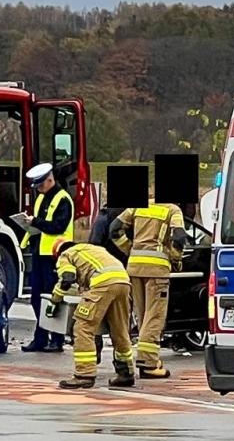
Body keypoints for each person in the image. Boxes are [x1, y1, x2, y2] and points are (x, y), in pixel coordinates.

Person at [109, 198, 187, 378]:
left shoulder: (138, 206)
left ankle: (149, 358)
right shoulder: (172, 209)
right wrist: (175, 259)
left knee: (143, 316)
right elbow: (179, 237)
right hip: (157, 269)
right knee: (155, 316)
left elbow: (114, 229)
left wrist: (130, 249)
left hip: (135, 267)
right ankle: (148, 363)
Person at [49, 239, 134, 389]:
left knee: (82, 328)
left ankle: (84, 375)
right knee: (120, 331)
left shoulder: (66, 255)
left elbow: (67, 278)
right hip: (123, 282)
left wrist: (55, 300)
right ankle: (125, 373)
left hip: (102, 283)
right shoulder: (94, 249)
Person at [19, 163, 73, 353]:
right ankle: (40, 337)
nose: (39, 189)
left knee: (53, 297)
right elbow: (41, 225)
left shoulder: (63, 199)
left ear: (50, 180)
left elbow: (57, 226)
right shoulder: (42, 198)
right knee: (36, 298)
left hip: (56, 255)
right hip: (40, 253)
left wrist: (36, 222)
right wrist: (29, 224)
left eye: (41, 185)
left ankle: (57, 339)